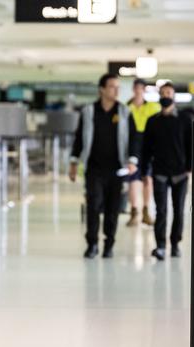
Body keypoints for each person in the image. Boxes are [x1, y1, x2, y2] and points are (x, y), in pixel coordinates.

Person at [69, 74, 137, 259]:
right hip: (94, 168)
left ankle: (109, 244)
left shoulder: (124, 112)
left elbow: (133, 138)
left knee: (113, 209)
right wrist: (74, 162)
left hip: (117, 170)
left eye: (118, 87)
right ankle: (92, 244)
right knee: (93, 206)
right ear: (102, 89)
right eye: (112, 87)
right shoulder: (89, 111)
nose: (116, 90)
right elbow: (79, 139)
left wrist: (132, 160)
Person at [140, 82, 192, 261]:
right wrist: (144, 171)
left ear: (174, 96)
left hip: (181, 173)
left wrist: (190, 169)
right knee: (161, 211)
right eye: (162, 93)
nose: (165, 96)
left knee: (179, 210)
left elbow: (191, 145)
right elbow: (146, 148)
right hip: (159, 172)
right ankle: (160, 245)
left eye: (168, 92)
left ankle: (175, 244)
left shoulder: (185, 120)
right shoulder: (153, 121)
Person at [126, 78, 160, 227]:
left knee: (148, 178)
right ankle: (134, 211)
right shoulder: (125, 108)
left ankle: (146, 210)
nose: (138, 91)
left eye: (141, 88)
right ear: (133, 89)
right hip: (131, 145)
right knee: (133, 178)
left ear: (144, 90)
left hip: (149, 144)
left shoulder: (153, 107)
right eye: (136, 88)